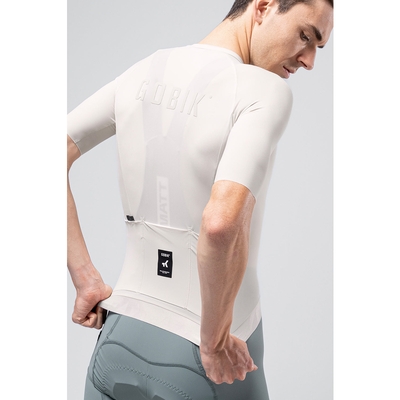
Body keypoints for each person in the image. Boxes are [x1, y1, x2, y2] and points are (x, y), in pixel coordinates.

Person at [67, 0, 333, 398]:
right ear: (263, 7)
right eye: (306, 36)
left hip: (119, 335)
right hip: (203, 357)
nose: (309, 60)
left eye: (318, 47)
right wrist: (213, 340)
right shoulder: (265, 90)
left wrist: (86, 279)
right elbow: (221, 222)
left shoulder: (144, 70)